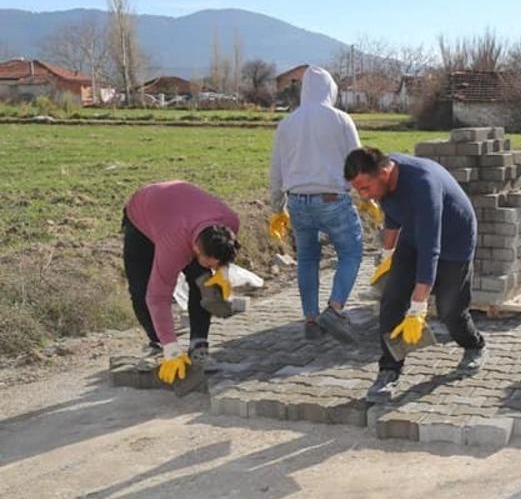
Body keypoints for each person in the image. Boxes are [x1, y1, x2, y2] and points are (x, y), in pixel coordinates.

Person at [343, 146, 486, 403]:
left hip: (455, 240)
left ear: (384, 173)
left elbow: (430, 250)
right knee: (392, 299)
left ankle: (474, 345)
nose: (363, 196)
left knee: (450, 310)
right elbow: (393, 217)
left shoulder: (423, 186)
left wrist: (418, 307)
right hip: (415, 232)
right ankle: (389, 371)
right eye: (358, 189)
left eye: (365, 188)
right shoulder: (384, 182)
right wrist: (388, 256)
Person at [268, 65, 371, 343]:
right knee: (351, 252)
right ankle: (334, 309)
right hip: (333, 199)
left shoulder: (287, 123)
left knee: (307, 259)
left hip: (298, 202)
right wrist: (365, 195)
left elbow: (276, 168)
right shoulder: (340, 119)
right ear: (331, 90)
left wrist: (277, 207)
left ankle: (311, 320)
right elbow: (357, 161)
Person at [122, 181, 241, 385]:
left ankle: (198, 345)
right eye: (211, 263)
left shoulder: (230, 221)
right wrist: (172, 348)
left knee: (204, 282)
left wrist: (221, 273)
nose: (214, 267)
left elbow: (223, 255)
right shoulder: (174, 244)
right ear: (196, 249)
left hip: (180, 210)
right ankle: (160, 345)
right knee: (142, 289)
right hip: (142, 216)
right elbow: (158, 297)